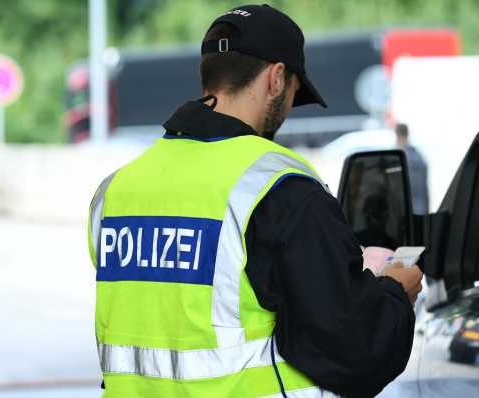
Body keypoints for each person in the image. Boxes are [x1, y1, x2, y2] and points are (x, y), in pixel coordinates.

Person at [87, 5, 423, 397]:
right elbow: (352, 349)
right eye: (296, 92)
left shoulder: (116, 191)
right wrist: (396, 291)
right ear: (277, 78)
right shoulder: (277, 186)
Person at [395, 123, 429, 214]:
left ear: (398, 136)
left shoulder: (398, 158)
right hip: (420, 208)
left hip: (405, 211)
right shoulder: (419, 157)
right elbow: (425, 189)